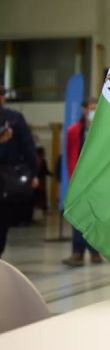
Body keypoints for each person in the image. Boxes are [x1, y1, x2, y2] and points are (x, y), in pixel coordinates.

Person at [62, 99, 103, 266]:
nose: (93, 112)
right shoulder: (73, 131)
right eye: (91, 109)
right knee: (78, 216)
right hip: (79, 181)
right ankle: (77, 252)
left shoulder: (101, 130)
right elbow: (69, 154)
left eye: (96, 109)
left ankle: (94, 252)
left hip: (96, 180)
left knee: (94, 216)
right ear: (84, 110)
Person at [0, 86, 38, 258]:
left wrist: (34, 173)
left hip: (7, 176)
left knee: (3, 221)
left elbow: (28, 147)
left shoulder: (14, 119)